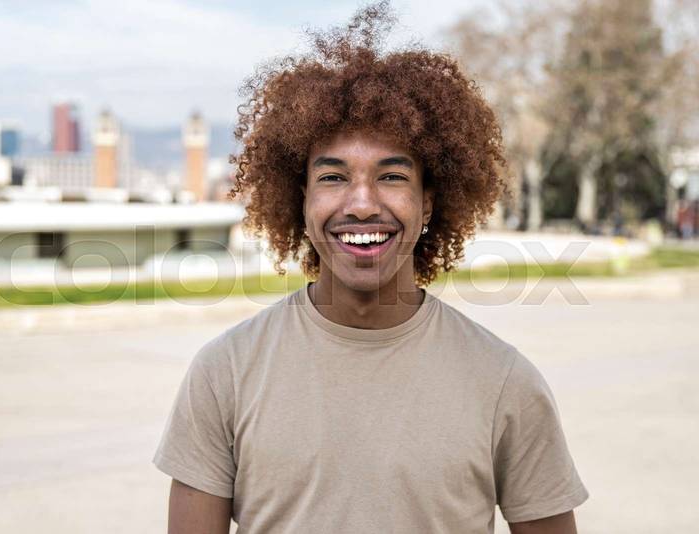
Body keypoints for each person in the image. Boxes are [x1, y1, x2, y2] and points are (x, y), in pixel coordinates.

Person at [153, 3, 589, 533]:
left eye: (391, 176)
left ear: (429, 202)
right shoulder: (224, 372)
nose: (361, 204)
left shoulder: (505, 382)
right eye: (334, 177)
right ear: (301, 201)